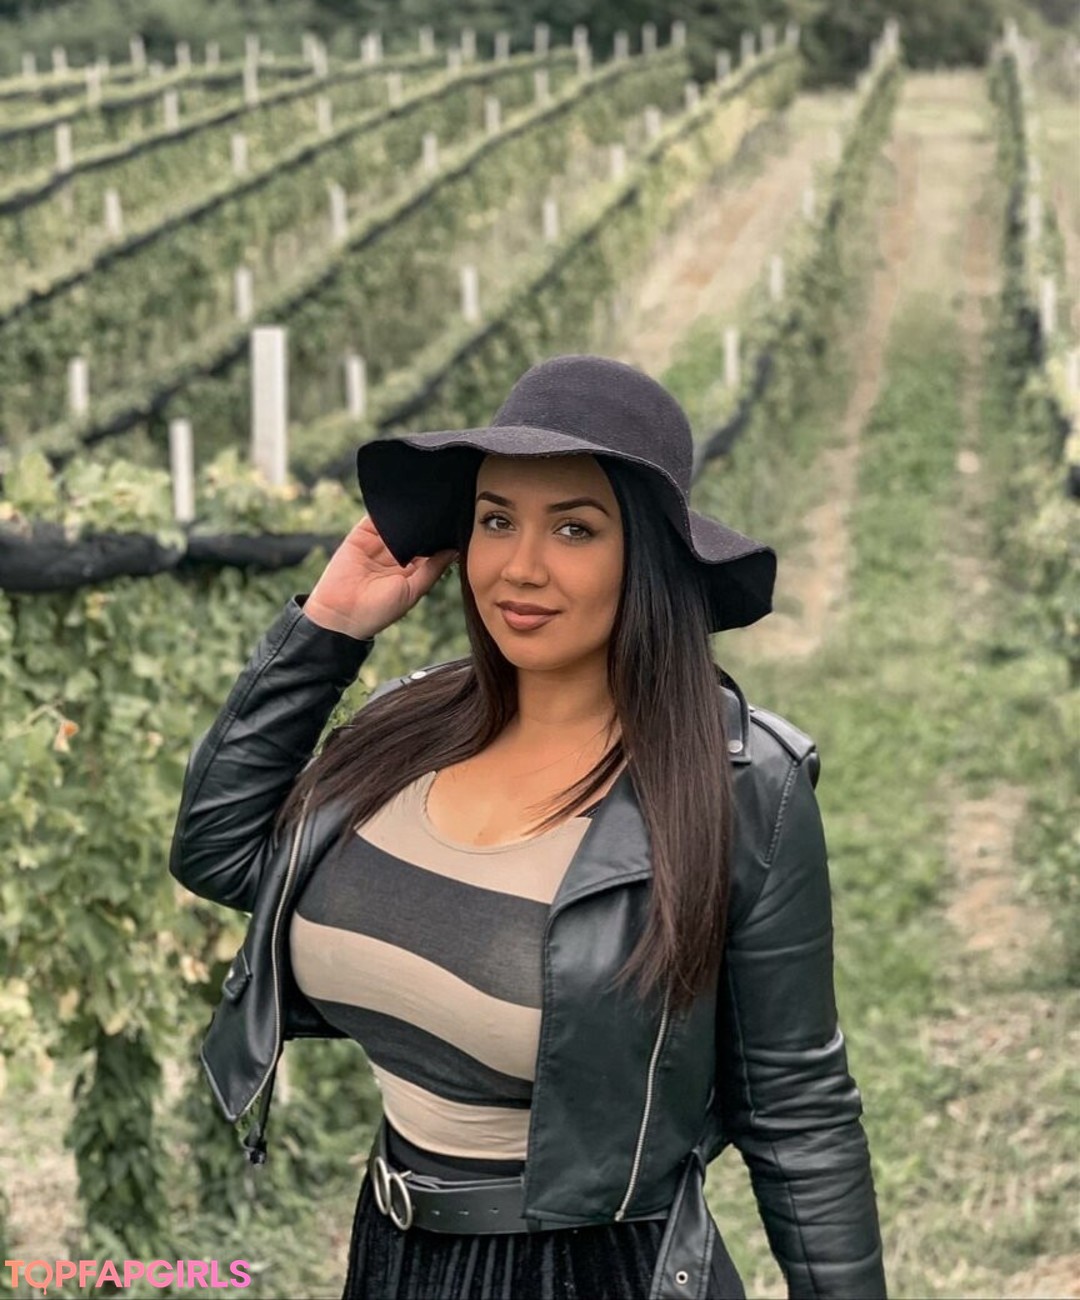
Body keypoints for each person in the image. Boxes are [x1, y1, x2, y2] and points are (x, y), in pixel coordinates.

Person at [169, 354, 887, 1299]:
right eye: (496, 519)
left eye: (575, 528)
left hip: (589, 1271)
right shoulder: (408, 726)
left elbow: (800, 1114)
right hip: (391, 1254)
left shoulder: (738, 787)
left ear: (649, 556)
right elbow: (220, 850)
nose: (521, 567)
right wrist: (330, 627)